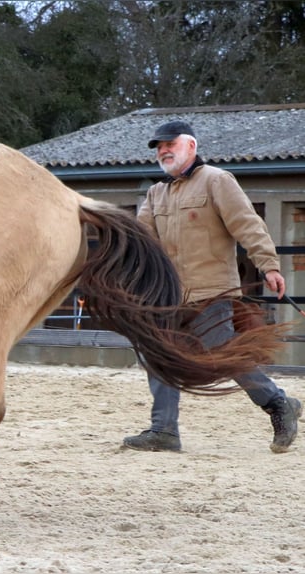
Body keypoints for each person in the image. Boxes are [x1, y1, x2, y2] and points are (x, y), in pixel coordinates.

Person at [123, 120, 301, 453]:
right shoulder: (155, 193)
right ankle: (164, 431)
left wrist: (270, 265)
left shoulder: (217, 181)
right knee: (156, 351)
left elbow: (247, 224)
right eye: (159, 146)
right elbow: (141, 240)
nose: (163, 150)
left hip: (212, 291)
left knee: (222, 353)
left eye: (169, 144)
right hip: (169, 296)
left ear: (190, 145)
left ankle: (278, 404)